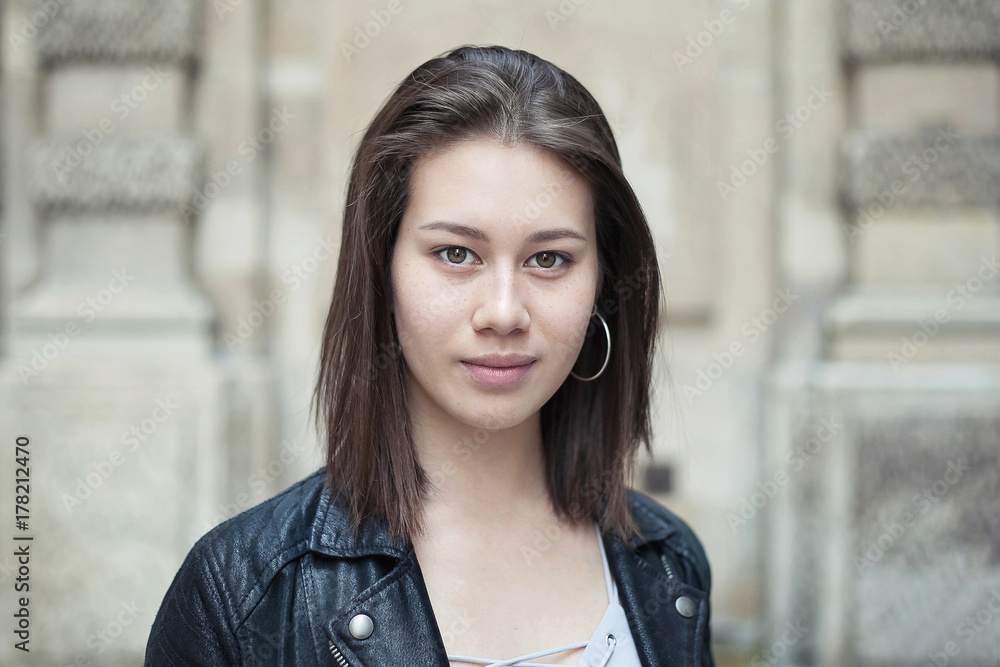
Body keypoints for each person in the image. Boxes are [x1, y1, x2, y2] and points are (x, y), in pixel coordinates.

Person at [145, 44, 713, 667]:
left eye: (548, 259)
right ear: (382, 269)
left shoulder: (670, 567)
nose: (503, 312)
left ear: (603, 282)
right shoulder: (242, 594)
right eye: (455, 253)